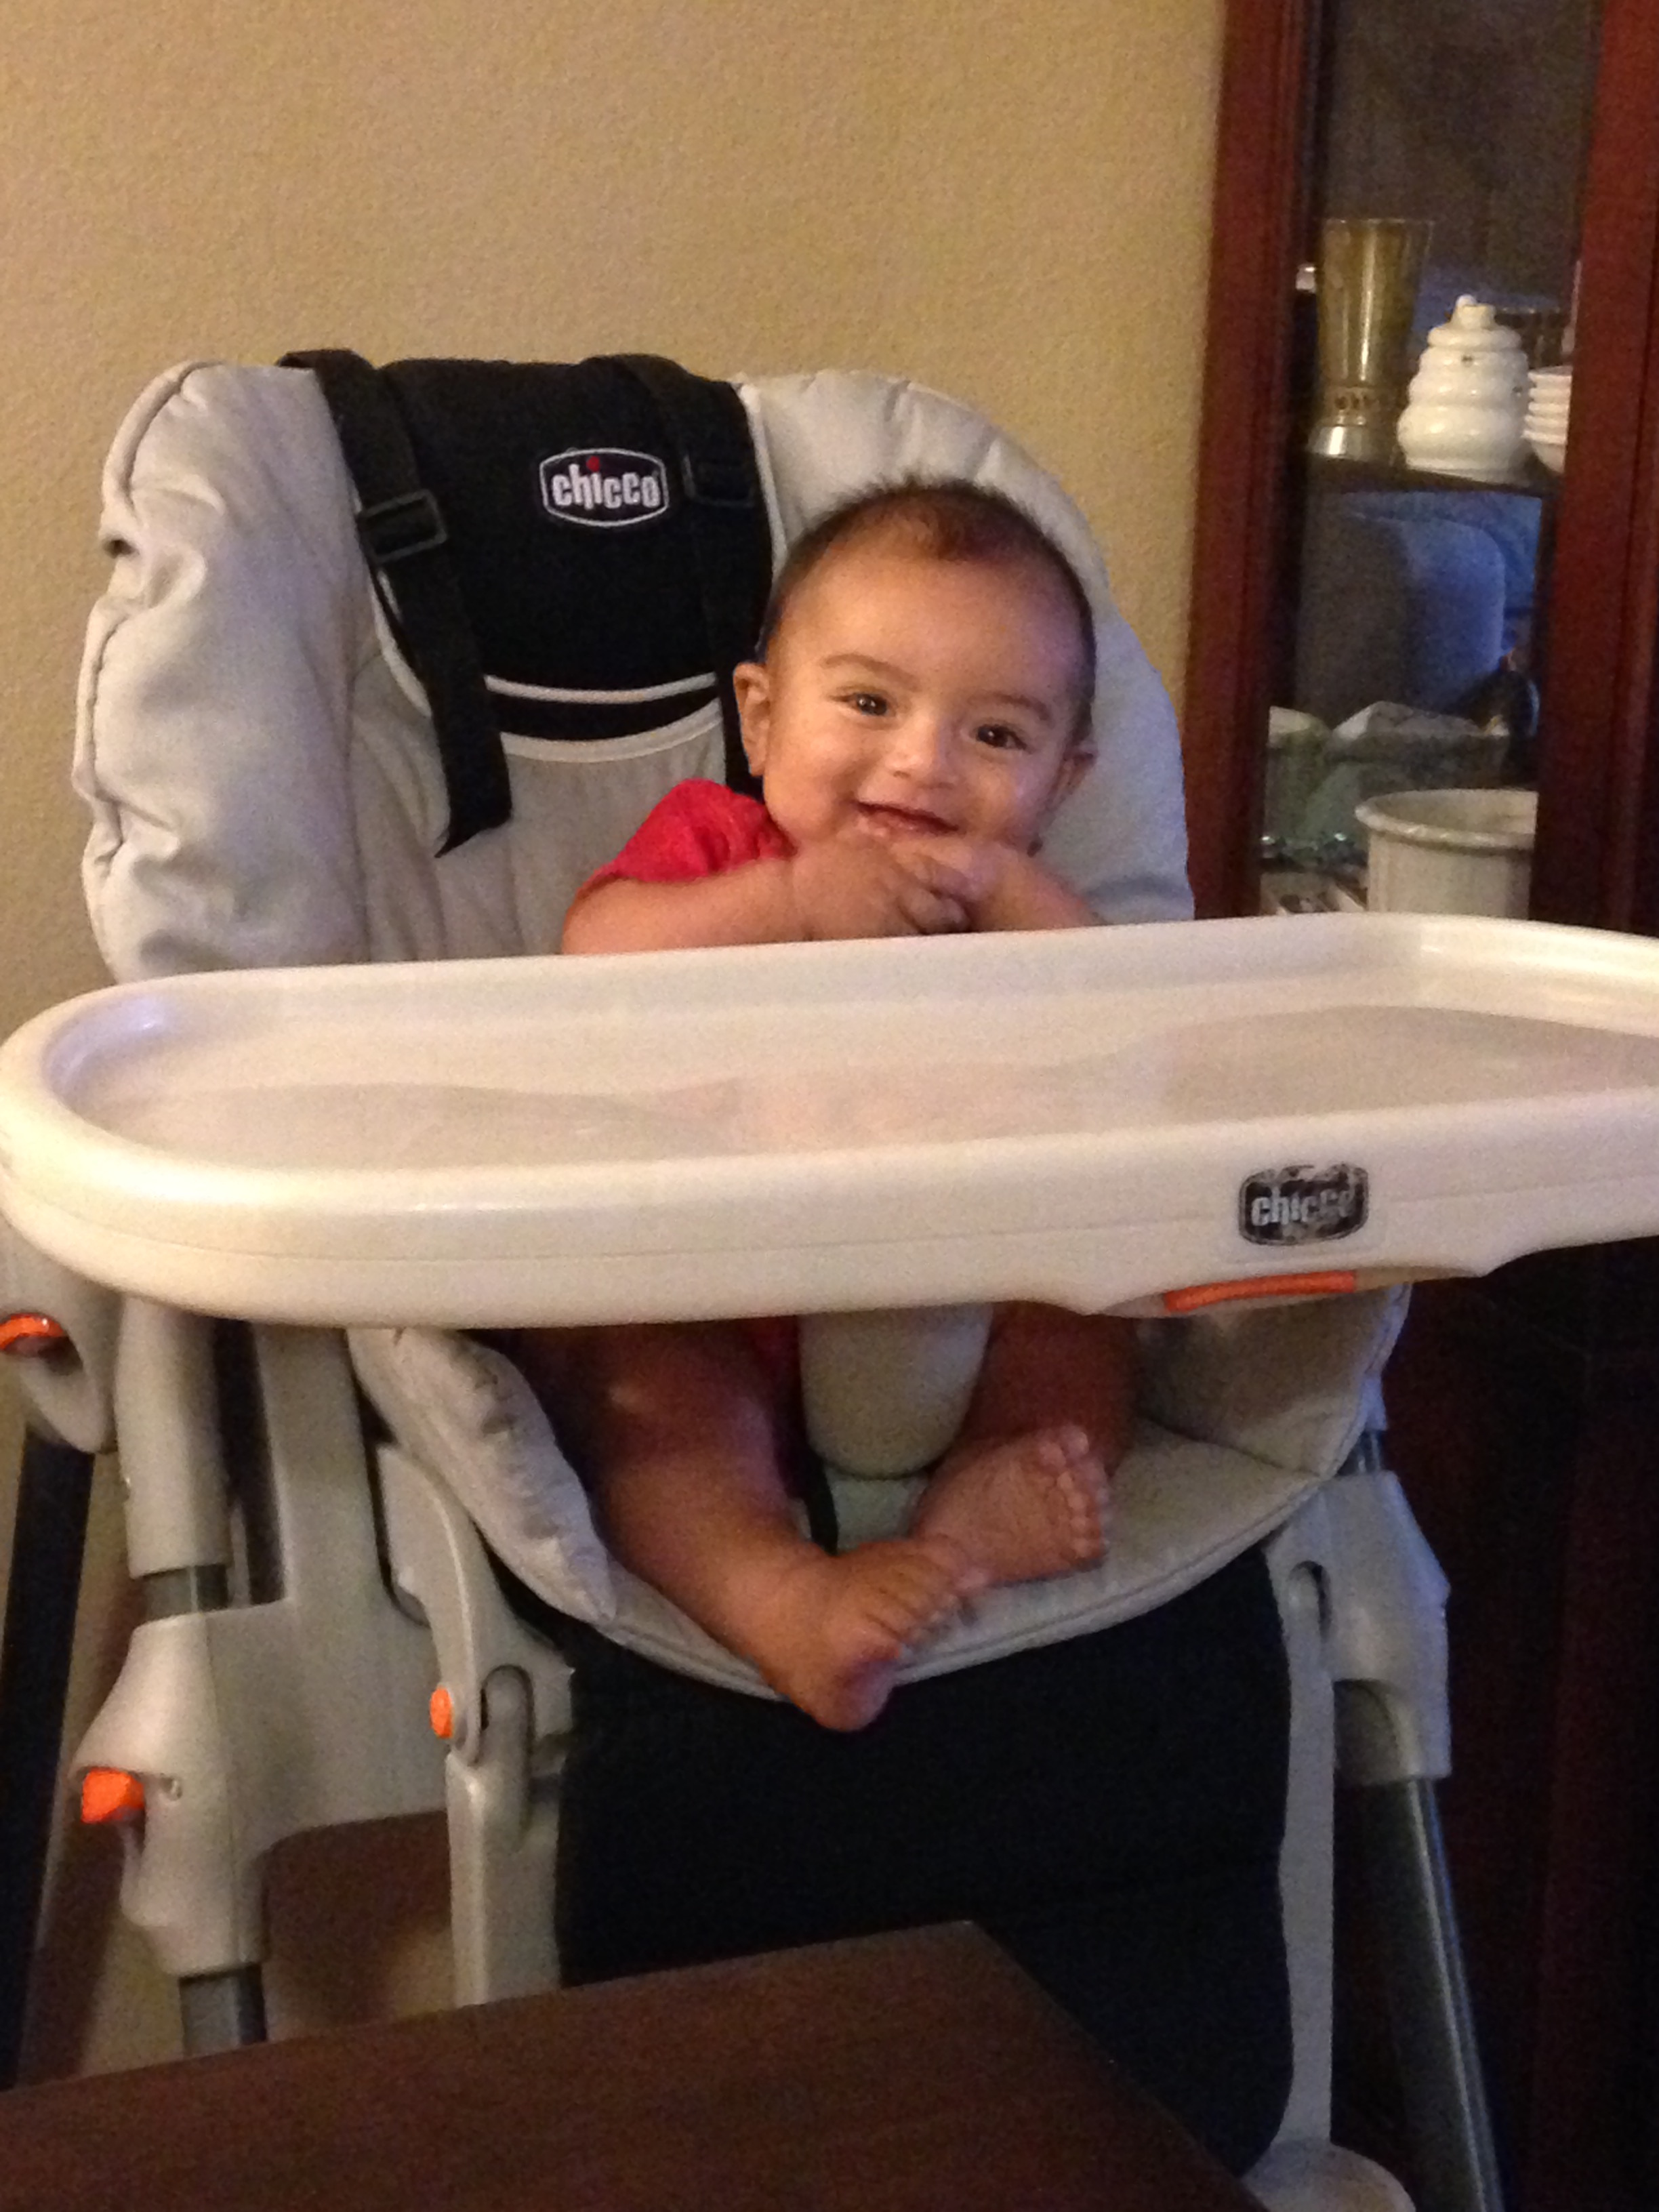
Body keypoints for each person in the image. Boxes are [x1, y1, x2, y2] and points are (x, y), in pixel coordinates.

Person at [503, 481, 1138, 1732]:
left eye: (995, 735)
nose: (923, 762)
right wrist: (790, 906)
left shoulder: (1028, 916)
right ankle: (779, 1594)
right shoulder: (720, 850)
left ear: (1062, 784)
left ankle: (978, 1507)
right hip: (723, 1300)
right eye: (870, 704)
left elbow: (1137, 1031)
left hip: (965, 1301)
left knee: (1086, 1336)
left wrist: (1007, 892)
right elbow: (594, 958)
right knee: (639, 1381)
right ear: (761, 716)